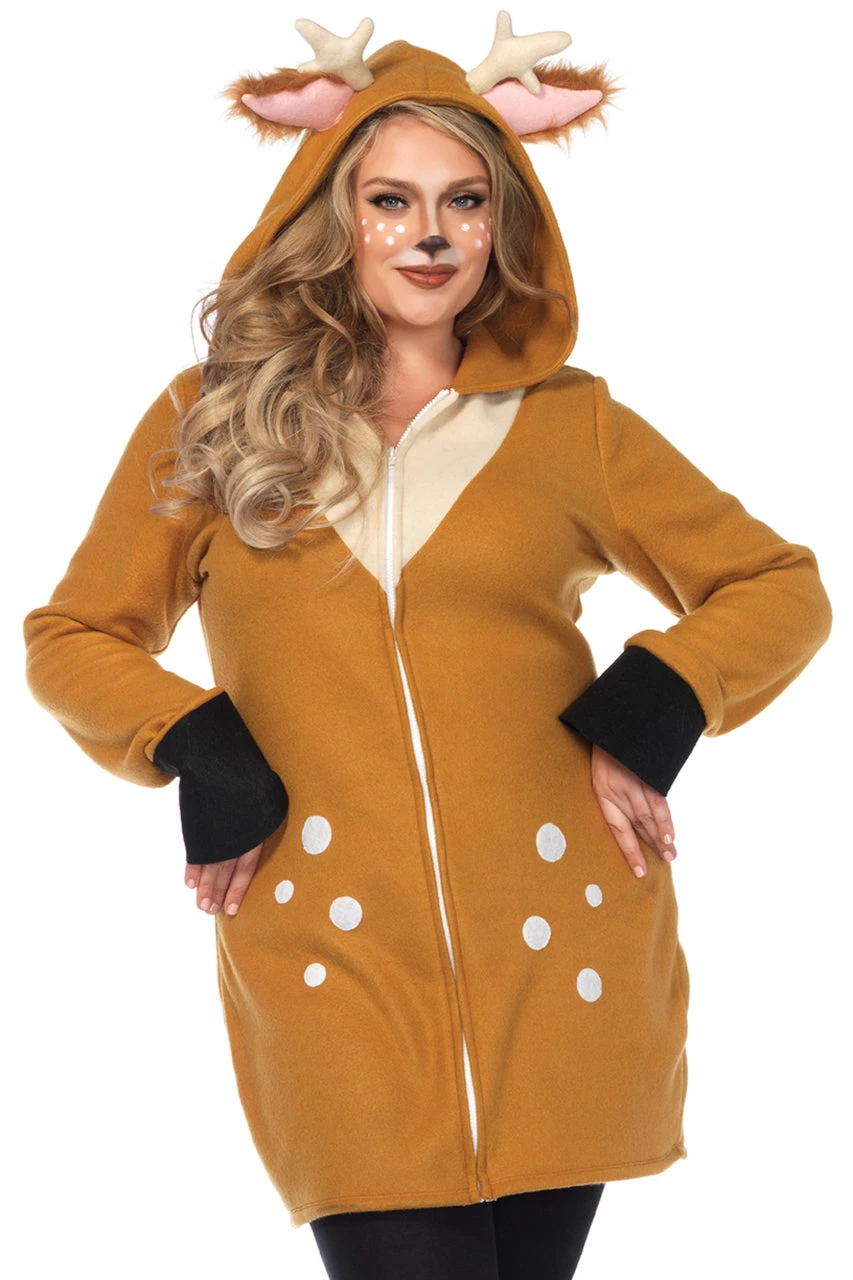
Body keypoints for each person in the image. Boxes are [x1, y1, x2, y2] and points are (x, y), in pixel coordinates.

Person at [22, 16, 832, 1280]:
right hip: (329, 956)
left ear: (503, 222)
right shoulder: (213, 420)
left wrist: (652, 707)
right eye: (390, 200)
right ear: (331, 214)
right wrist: (196, 739)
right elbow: (74, 634)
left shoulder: (572, 424)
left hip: (562, 950)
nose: (432, 233)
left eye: (465, 199)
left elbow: (778, 586)